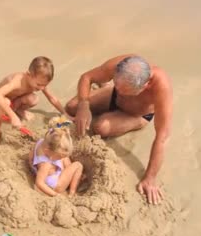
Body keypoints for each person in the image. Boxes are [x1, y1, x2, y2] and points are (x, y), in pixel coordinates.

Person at [65, 54, 173, 204]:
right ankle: (108, 88)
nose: (121, 92)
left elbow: (163, 135)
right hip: (112, 97)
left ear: (145, 86)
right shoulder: (122, 64)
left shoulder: (161, 87)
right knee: (71, 107)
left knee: (100, 127)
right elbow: (86, 77)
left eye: (125, 91)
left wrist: (150, 178)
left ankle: (138, 122)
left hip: (136, 113)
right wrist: (84, 106)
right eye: (117, 84)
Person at [0, 56, 69, 145]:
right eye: (39, 84)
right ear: (28, 75)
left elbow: (52, 98)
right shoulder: (17, 82)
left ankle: (19, 110)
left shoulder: (39, 81)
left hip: (15, 100)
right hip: (2, 102)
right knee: (6, 102)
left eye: (44, 85)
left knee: (34, 99)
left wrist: (64, 113)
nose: (41, 88)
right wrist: (13, 116)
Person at [28, 116, 84, 197]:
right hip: (56, 185)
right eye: (59, 157)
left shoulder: (44, 141)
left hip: (51, 174)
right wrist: (55, 194)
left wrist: (31, 165)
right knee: (78, 165)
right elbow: (39, 183)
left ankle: (71, 174)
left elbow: (31, 155)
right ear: (48, 151)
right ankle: (72, 192)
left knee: (65, 157)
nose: (61, 158)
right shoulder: (45, 165)